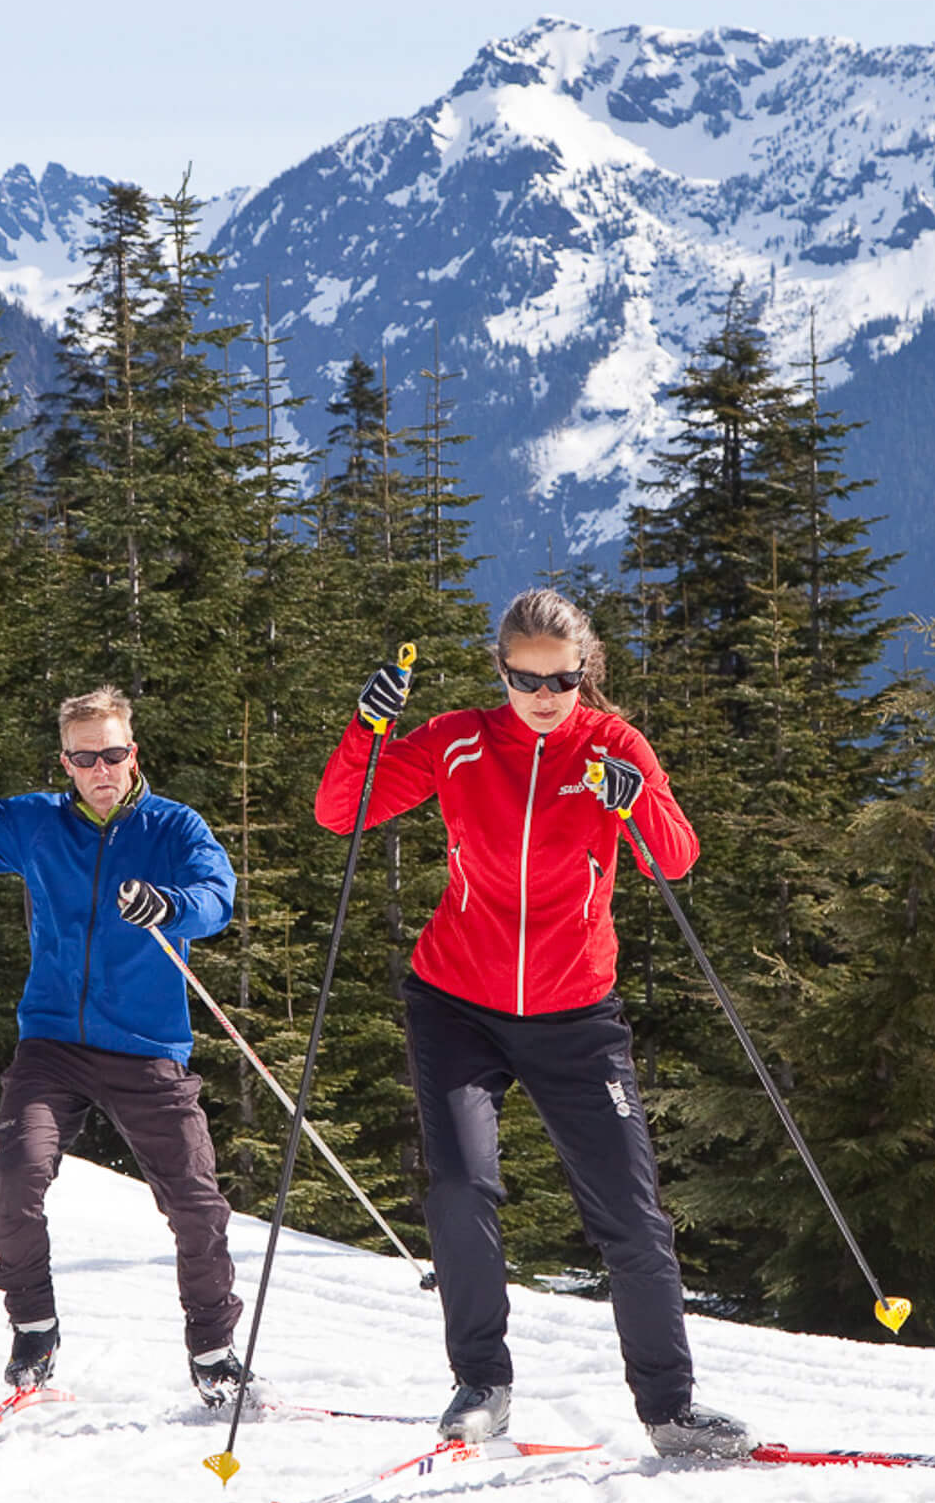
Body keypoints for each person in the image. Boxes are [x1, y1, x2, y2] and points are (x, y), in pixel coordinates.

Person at [314, 589, 754, 1459]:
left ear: (585, 671)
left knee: (630, 1214)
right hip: (457, 1002)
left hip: (575, 1012)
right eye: (526, 679)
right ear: (502, 671)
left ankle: (669, 1409)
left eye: (562, 680)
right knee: (460, 1186)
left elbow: (675, 858)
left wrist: (635, 800)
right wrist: (367, 730)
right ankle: (482, 1383)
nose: (545, 696)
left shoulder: (614, 746)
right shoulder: (458, 740)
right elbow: (342, 810)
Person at [0, 686, 250, 1403]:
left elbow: (216, 898)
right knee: (16, 1173)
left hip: (147, 1047)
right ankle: (34, 1328)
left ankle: (213, 1351)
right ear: (66, 762)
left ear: (133, 753)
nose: (101, 770)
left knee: (195, 1203)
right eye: (85, 759)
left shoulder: (172, 827)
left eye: (112, 754)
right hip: (53, 1042)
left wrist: (170, 905)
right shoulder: (36, 822)